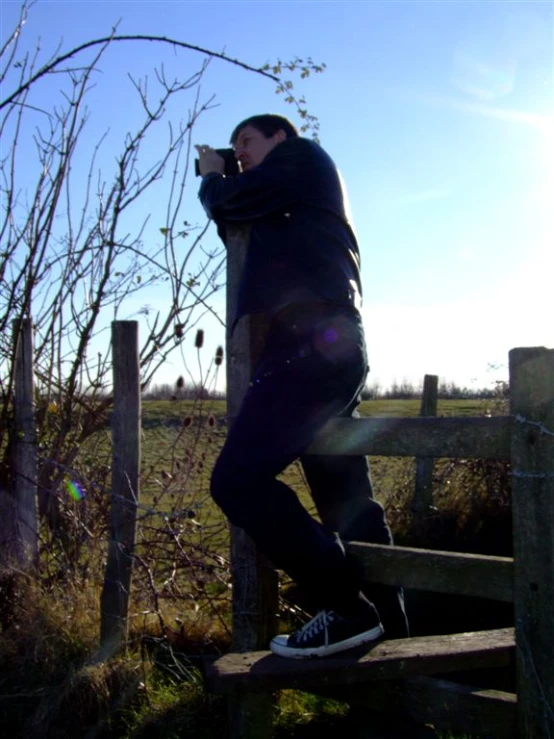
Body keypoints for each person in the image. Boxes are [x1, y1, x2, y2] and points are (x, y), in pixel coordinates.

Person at [195, 114, 408, 659]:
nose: (239, 150)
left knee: (237, 483)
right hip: (319, 344)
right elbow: (233, 222)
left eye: (247, 140)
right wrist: (223, 188)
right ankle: (395, 647)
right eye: (235, 145)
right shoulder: (280, 201)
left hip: (314, 344)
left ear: (280, 138)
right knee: (348, 505)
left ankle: (347, 608)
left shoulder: (304, 157)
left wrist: (212, 176)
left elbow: (230, 200)